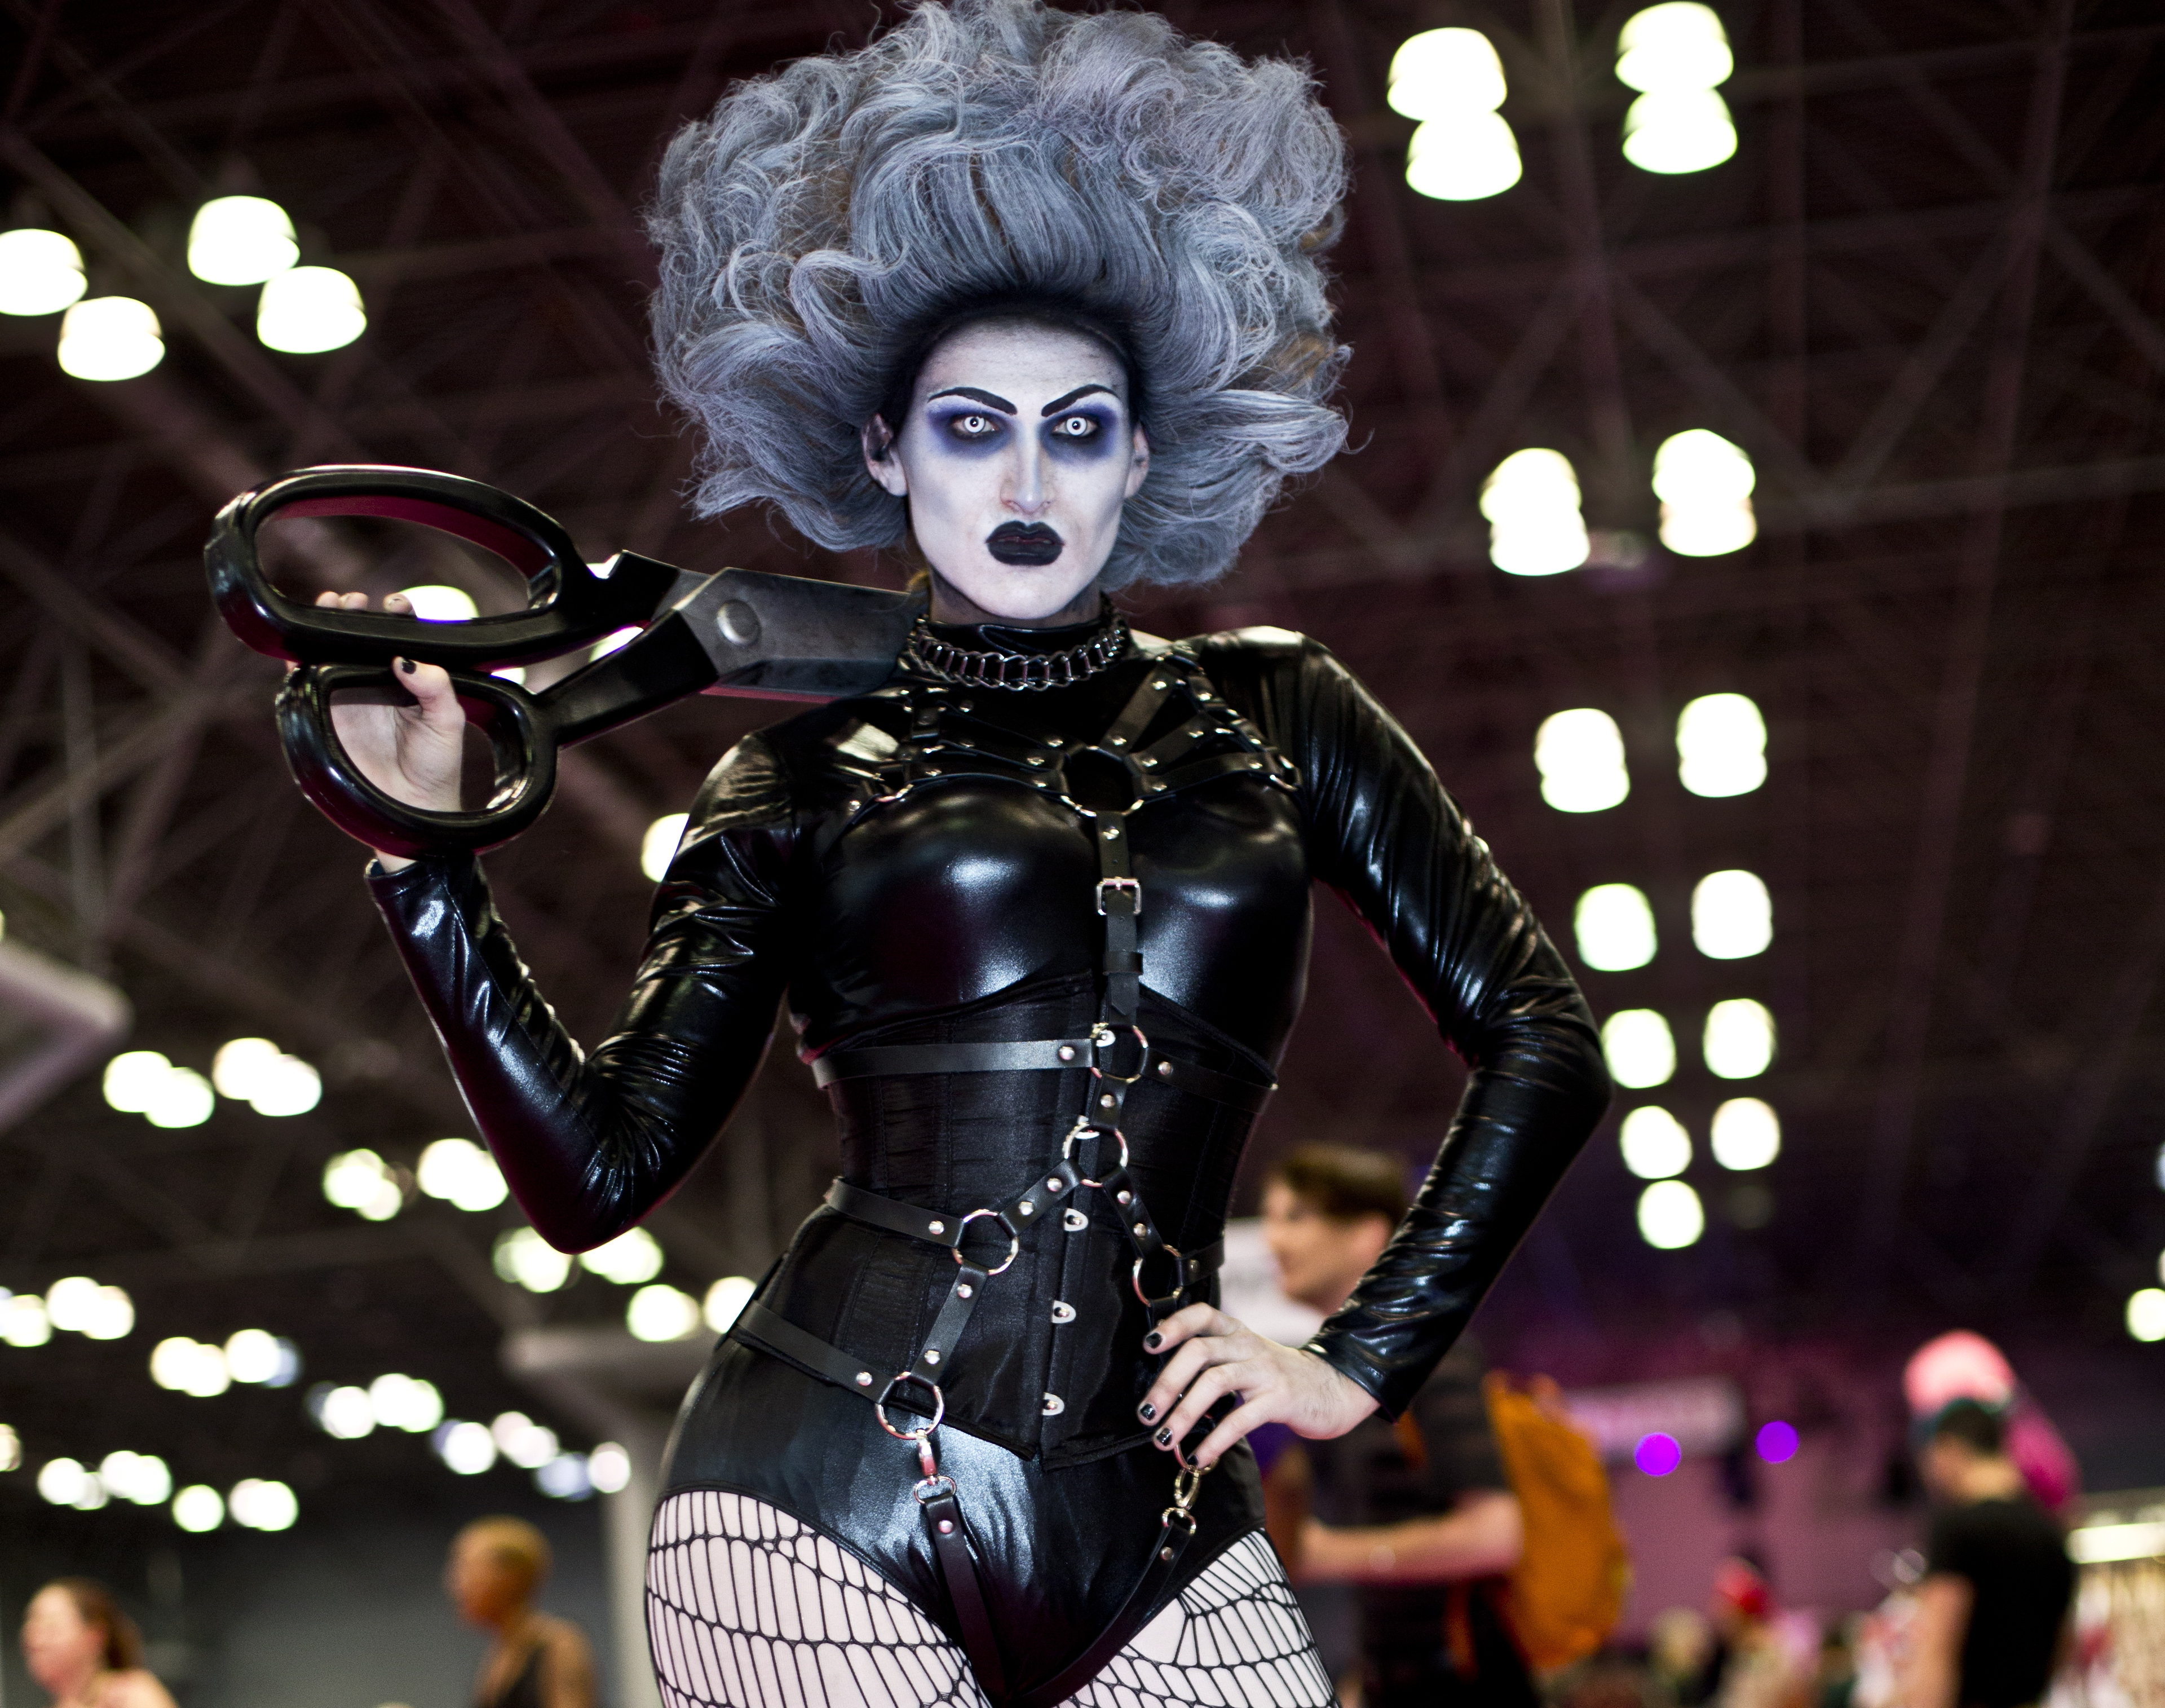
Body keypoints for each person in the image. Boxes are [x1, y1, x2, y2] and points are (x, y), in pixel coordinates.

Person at [314, 3, 1611, 1703]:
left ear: (1139, 452)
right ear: (883, 448)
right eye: (969, 425)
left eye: (1075, 429)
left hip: (1158, 1517)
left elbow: (1542, 1035)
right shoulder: (794, 775)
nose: (1025, 480)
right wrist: (423, 864)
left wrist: (1359, 1356)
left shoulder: (1281, 709)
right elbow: (598, 1175)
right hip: (809, 1493)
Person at [1259, 1145, 1532, 1706]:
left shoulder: (1430, 1359)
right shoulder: (1337, 1376)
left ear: (1368, 1235)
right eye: (1271, 1219)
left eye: (1296, 1217)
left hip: (1469, 1683)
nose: (1273, 1240)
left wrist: (1326, 1553)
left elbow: (1496, 1534)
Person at [1898, 1401, 2073, 1708]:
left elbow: (1939, 1649)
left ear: (1951, 1449)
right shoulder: (2050, 1532)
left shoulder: (1958, 1526)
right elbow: (2063, 1646)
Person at [445, 1517, 598, 1708]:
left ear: (508, 1577)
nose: (454, 1584)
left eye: (465, 1569)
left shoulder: (558, 1647)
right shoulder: (500, 1653)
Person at [19, 1579, 176, 1708]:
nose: (34, 1640)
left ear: (95, 1635)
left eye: (51, 1627)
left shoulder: (132, 1694)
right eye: (30, 1627)